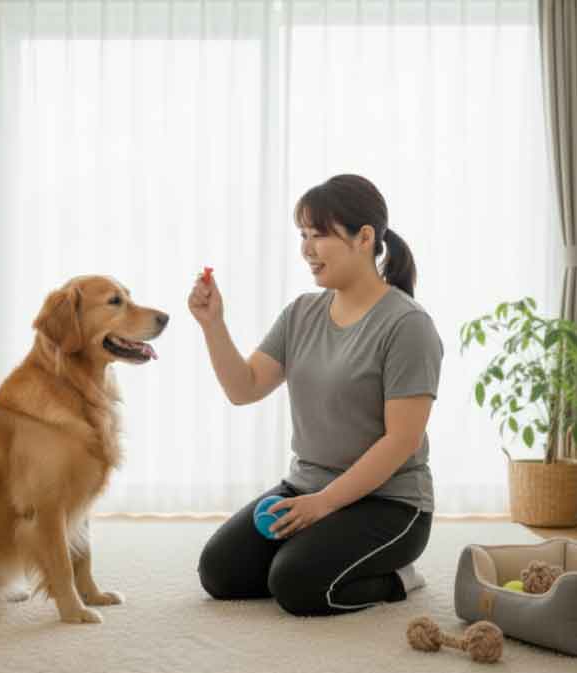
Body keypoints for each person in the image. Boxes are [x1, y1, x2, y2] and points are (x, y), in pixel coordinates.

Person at [189, 174, 443, 616]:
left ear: (364, 238)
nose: (306, 248)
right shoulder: (301, 313)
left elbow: (400, 441)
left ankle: (400, 579)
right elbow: (243, 388)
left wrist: (324, 505)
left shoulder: (408, 326)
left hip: (390, 504)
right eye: (302, 235)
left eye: (319, 235)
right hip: (307, 486)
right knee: (220, 573)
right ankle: (321, 548)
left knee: (298, 586)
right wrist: (213, 324)